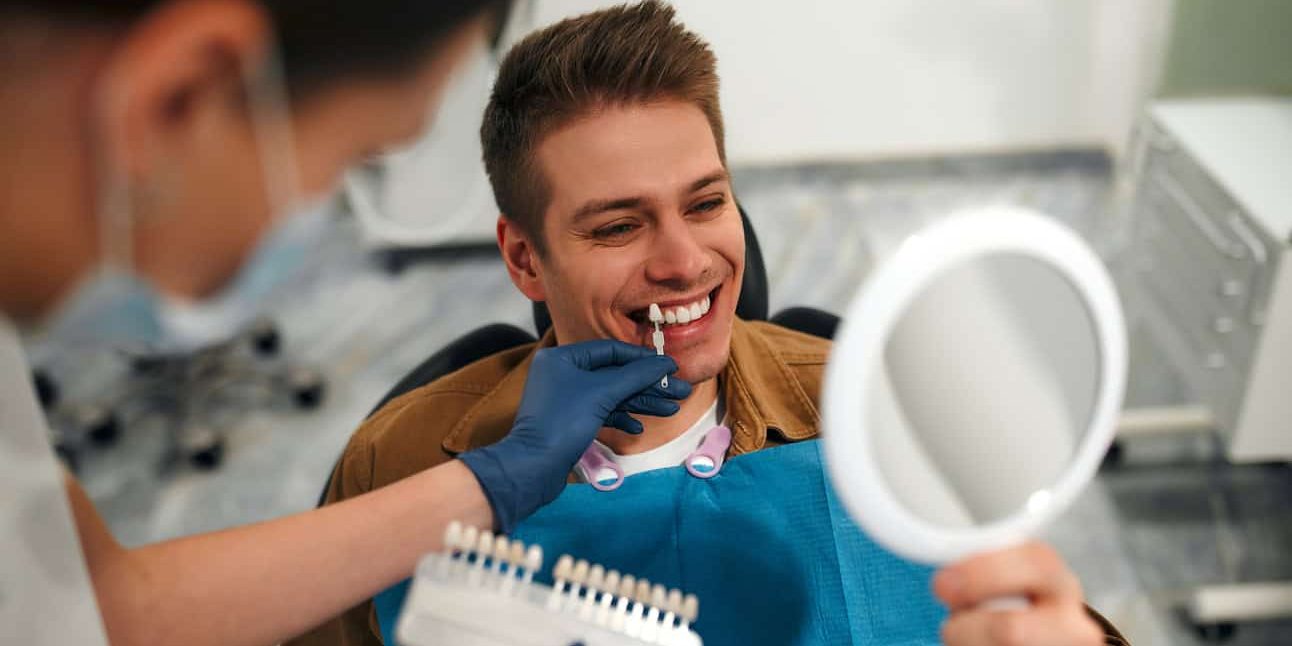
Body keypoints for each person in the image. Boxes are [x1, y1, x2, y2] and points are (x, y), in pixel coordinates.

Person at [303, 3, 1126, 646]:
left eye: (705, 203)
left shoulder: (884, 417)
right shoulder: (398, 463)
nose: (684, 261)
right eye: (619, 226)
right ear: (523, 258)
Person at [0, 2, 689, 645]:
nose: (682, 264)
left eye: (706, 202)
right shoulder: (395, 447)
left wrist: (494, 483)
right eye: (356, 156)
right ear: (176, 97)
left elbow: (99, 604)